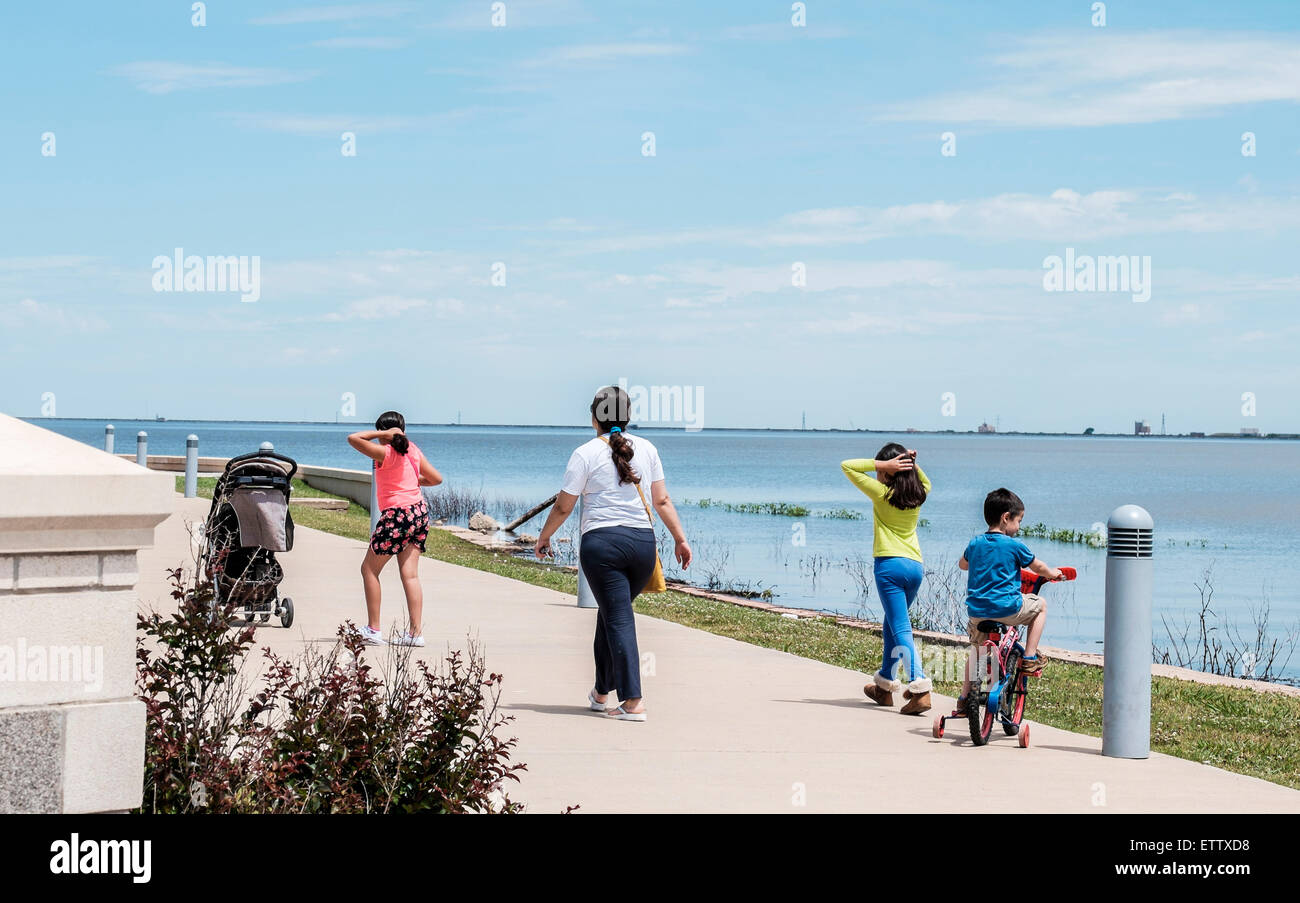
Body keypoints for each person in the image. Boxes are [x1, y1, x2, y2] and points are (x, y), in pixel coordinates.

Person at [534, 386, 692, 722]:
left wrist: (544, 537)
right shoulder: (647, 449)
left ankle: (633, 700)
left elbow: (564, 505)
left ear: (594, 417)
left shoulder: (585, 453)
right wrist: (680, 539)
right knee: (611, 612)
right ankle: (601, 692)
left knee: (618, 617)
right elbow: (661, 501)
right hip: (643, 547)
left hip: (602, 547)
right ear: (628, 416)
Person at [841, 444, 933, 715]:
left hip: (889, 566)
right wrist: (909, 463)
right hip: (915, 567)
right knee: (891, 625)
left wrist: (883, 465)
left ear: (889, 471)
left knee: (901, 628)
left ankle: (920, 688)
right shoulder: (919, 494)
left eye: (884, 469)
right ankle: (883, 687)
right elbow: (925, 479)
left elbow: (847, 465)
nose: (879, 473)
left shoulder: (881, 493)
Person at [955, 488, 1064, 713]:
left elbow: (962, 565)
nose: (1019, 527)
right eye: (1019, 521)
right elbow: (1038, 567)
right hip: (1008, 608)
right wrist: (1052, 573)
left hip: (977, 612)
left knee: (976, 653)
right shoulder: (1014, 545)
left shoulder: (975, 543)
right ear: (1006, 518)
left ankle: (964, 699)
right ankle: (1029, 657)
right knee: (1041, 606)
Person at [347, 411, 442, 646]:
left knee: (369, 569)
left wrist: (383, 434)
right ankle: (415, 633)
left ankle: (373, 629)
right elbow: (436, 479)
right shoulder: (413, 450)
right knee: (410, 574)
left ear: (384, 432)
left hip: (397, 516)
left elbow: (354, 438)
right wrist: (411, 481)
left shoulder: (384, 451)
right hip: (419, 513)